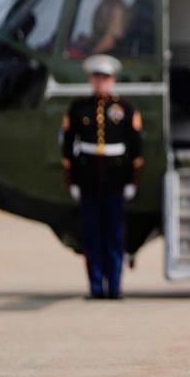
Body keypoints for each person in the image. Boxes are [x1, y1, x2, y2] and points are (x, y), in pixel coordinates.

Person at [60, 54, 143, 299]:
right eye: (97, 78)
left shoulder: (125, 109)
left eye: (105, 78)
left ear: (113, 80)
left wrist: (132, 180)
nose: (101, 82)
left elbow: (135, 148)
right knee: (92, 236)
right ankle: (96, 287)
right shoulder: (79, 108)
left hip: (115, 180)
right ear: (90, 80)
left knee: (114, 235)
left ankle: (114, 286)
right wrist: (72, 180)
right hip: (88, 179)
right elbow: (68, 147)